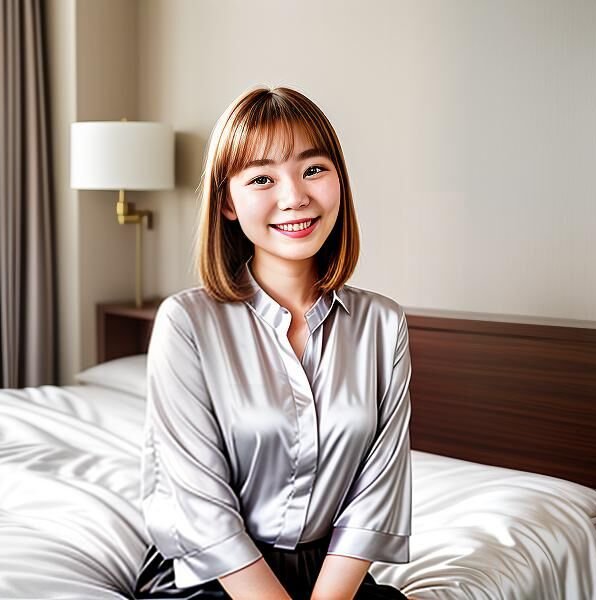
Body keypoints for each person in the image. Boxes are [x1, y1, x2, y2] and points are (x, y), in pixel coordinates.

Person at [133, 86, 412, 600]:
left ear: (339, 182)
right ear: (228, 204)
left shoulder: (383, 323)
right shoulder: (187, 322)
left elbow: (377, 489)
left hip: (331, 576)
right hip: (213, 574)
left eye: (313, 169)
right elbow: (201, 505)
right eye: (262, 178)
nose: (294, 196)